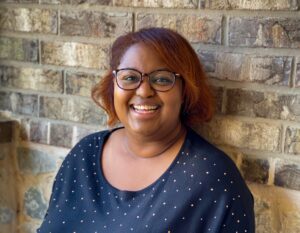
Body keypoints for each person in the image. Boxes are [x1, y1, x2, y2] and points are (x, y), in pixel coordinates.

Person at [38, 27, 255, 233]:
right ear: (113, 86)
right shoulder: (84, 154)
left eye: (161, 79)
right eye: (130, 78)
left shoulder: (213, 177)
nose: (143, 91)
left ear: (185, 92)